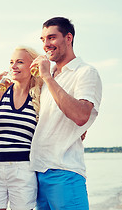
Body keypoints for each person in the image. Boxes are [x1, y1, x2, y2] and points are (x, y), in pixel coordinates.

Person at [29, 17, 102, 210]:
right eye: (43, 39)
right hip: (38, 171)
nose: (46, 45)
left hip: (65, 171)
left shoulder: (86, 72)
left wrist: (46, 77)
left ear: (68, 38)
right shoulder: (48, 77)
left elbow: (80, 116)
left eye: (52, 38)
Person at [0, 46, 43, 210]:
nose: (13, 66)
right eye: (11, 62)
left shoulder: (40, 95)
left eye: (20, 62)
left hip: (23, 168)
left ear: (33, 67)